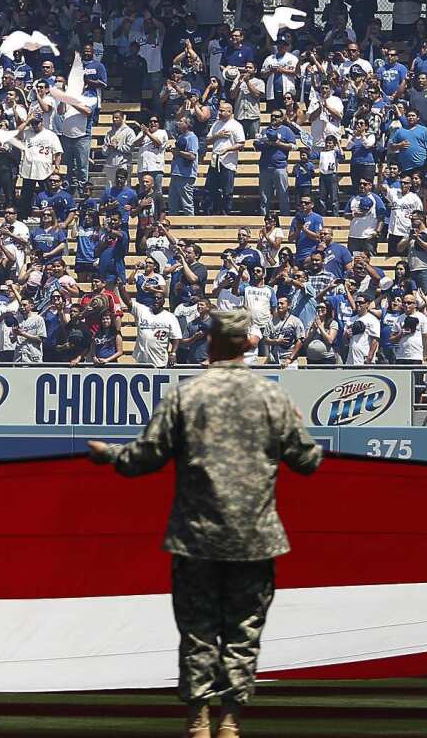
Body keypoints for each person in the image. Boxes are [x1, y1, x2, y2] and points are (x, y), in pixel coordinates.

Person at [86, 308, 323, 738]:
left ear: (210, 343)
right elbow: (306, 462)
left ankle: (198, 718)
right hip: (254, 538)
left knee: (197, 632)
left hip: (196, 536)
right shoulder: (273, 397)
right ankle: (230, 719)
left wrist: (108, 455)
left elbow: (144, 458)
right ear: (247, 345)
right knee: (242, 632)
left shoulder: (186, 395)